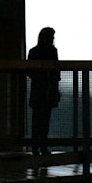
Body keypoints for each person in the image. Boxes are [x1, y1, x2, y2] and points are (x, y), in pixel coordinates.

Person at [27, 27, 60, 156]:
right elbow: (55, 72)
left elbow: (29, 72)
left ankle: (35, 147)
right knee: (45, 120)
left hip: (37, 90)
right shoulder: (53, 51)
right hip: (49, 90)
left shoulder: (33, 52)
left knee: (36, 120)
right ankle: (43, 146)